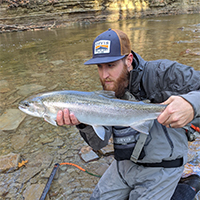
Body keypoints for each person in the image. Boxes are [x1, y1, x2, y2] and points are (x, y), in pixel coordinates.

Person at [57, 29, 200, 200]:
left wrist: (192, 104)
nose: (104, 76)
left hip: (162, 168)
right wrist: (83, 123)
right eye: (100, 67)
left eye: (111, 65)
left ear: (129, 60)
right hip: (123, 166)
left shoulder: (162, 73)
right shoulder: (108, 89)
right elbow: (99, 143)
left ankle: (189, 186)